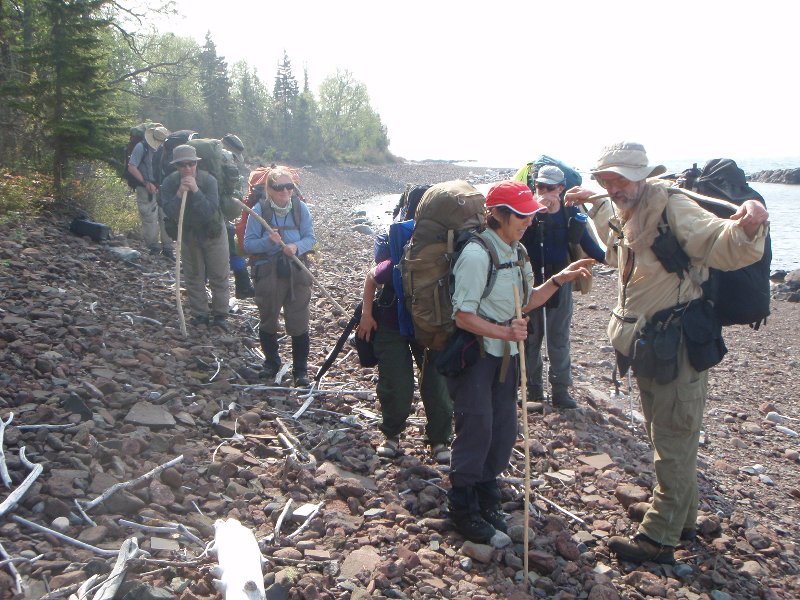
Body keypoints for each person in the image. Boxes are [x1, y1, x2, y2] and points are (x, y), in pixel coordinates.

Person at [566, 142, 769, 564]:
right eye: (605, 179)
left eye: (619, 178)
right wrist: (592, 202)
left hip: (674, 345)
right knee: (667, 434)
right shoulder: (627, 206)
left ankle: (659, 537)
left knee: (673, 440)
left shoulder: (673, 207)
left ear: (641, 175)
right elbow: (614, 233)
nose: (612, 186)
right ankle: (682, 515)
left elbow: (721, 241)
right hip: (649, 346)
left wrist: (750, 226)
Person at [446, 180, 593, 542]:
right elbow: (462, 316)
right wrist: (505, 334)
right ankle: (463, 508)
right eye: (522, 214)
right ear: (497, 215)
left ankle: (487, 495)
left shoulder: (518, 252)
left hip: (507, 358)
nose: (528, 220)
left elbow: (525, 302)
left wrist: (560, 279)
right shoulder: (477, 255)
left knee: (504, 430)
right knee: (477, 429)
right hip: (477, 357)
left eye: (531, 214)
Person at [356, 186, 453, 463]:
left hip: (432, 322)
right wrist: (366, 314)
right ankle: (392, 434)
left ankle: (440, 439)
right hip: (391, 320)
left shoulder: (448, 241)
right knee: (396, 381)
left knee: (436, 383)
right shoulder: (393, 238)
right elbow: (375, 276)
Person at [521, 165, 606, 409]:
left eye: (551, 187)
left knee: (558, 339)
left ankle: (560, 391)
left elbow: (590, 246)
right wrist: (535, 214)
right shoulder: (529, 213)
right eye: (540, 187)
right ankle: (533, 390)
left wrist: (617, 260)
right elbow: (513, 240)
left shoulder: (570, 214)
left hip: (561, 283)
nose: (545, 192)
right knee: (530, 338)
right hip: (531, 283)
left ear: (561, 188)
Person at [243, 166, 316, 387]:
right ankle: (272, 363)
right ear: (270, 189)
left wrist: (296, 246)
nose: (285, 191)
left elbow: (310, 238)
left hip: (297, 270)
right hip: (268, 272)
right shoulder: (259, 210)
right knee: (269, 317)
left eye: (289, 186)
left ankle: (300, 371)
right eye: (279, 187)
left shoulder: (300, 208)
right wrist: (268, 242)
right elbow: (247, 244)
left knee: (299, 319)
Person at [160, 145, 231, 329]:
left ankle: (220, 315)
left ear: (196, 163)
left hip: (213, 232)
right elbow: (169, 211)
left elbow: (209, 210)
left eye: (191, 164)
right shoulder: (169, 183)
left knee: (219, 274)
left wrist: (196, 191)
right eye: (182, 165)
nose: (187, 169)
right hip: (188, 234)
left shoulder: (209, 181)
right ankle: (200, 315)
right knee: (193, 275)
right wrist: (178, 194)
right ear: (176, 166)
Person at [128, 125, 174, 257]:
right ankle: (153, 246)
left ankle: (168, 248)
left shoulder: (166, 149)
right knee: (149, 217)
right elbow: (132, 167)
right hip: (145, 188)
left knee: (166, 216)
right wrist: (145, 182)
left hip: (163, 187)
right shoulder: (141, 147)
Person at [220, 134, 256, 299]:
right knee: (231, 252)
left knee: (230, 251)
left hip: (217, 217)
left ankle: (243, 286)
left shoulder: (211, 163)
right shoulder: (222, 167)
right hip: (218, 218)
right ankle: (243, 287)